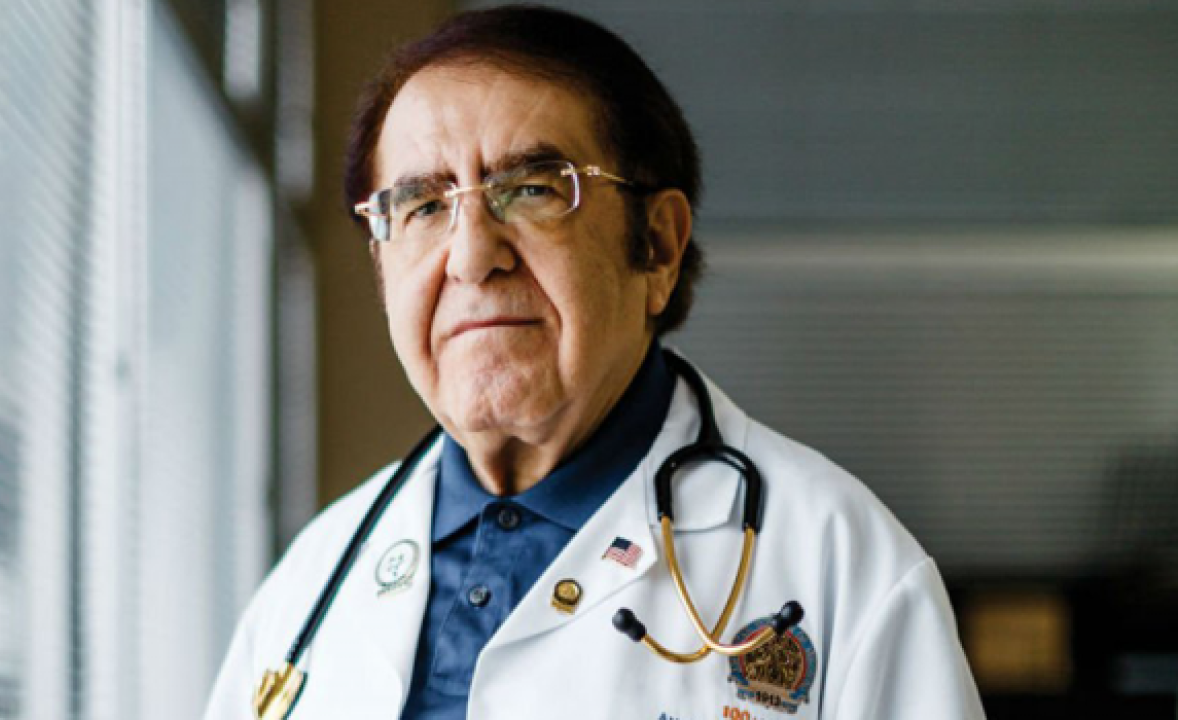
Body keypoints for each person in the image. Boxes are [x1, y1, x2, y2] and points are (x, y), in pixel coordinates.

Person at [204, 6, 985, 719]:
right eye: (424, 207)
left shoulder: (843, 566)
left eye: (532, 189)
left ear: (658, 247)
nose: (471, 257)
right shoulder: (310, 585)